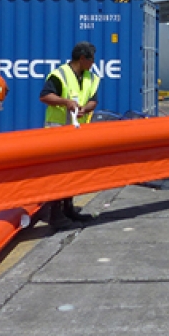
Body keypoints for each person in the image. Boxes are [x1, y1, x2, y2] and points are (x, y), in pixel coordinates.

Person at [39, 41, 99, 230]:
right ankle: (56, 214)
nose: (93, 63)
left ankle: (68, 209)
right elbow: (45, 96)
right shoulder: (60, 75)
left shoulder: (91, 77)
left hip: (77, 133)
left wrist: (84, 108)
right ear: (82, 59)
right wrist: (66, 102)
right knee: (59, 174)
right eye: (91, 60)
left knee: (72, 173)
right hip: (58, 131)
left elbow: (93, 101)